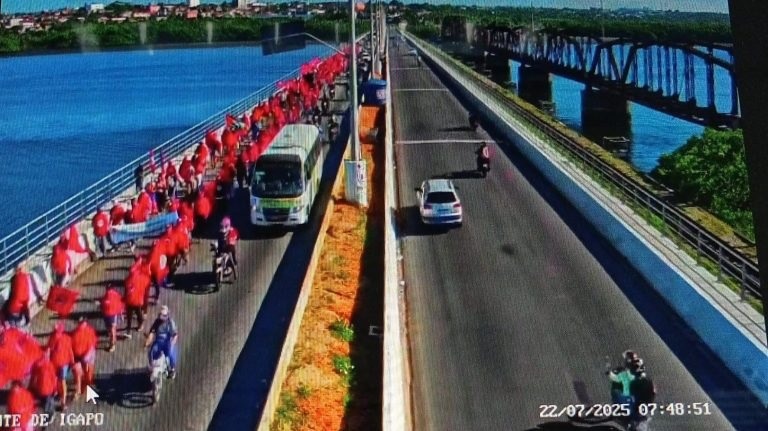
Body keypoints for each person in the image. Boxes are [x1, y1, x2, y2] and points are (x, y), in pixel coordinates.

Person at [144, 306, 178, 379]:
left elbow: (175, 335)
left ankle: (172, 369)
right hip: (158, 342)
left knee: (170, 354)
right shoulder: (157, 322)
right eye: (161, 315)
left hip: (167, 342)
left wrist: (172, 344)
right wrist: (148, 341)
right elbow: (152, 332)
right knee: (151, 352)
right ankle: (152, 366)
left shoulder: (170, 322)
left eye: (164, 315)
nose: (162, 317)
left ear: (167, 315)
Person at [48, 322, 74, 411]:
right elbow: (70, 351)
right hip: (64, 363)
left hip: (54, 362)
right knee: (62, 381)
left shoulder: (52, 338)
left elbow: (49, 349)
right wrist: (72, 362)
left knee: (55, 379)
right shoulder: (67, 338)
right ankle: (63, 401)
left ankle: (56, 393)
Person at [70, 318, 97, 401]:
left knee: (83, 373)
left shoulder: (75, 333)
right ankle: (81, 389)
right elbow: (94, 342)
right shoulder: (85, 331)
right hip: (83, 355)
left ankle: (82, 388)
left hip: (83, 356)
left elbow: (92, 344)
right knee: (83, 372)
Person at [29, 348, 58, 417]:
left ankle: (44, 408)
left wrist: (31, 386)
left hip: (40, 388)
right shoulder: (50, 365)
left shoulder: (37, 364)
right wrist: (55, 389)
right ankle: (49, 415)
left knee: (43, 400)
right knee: (48, 403)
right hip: (49, 388)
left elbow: (33, 377)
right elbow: (53, 379)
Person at [629, 361, 656, 431]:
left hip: (639, 410)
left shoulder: (634, 383)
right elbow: (653, 393)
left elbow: (631, 396)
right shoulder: (649, 381)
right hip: (644, 410)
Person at [100, 284, 124, 353]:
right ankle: (112, 342)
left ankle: (112, 345)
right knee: (112, 330)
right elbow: (121, 304)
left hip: (109, 315)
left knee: (112, 330)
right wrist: (121, 314)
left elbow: (102, 305)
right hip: (111, 315)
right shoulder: (116, 295)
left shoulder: (107, 296)